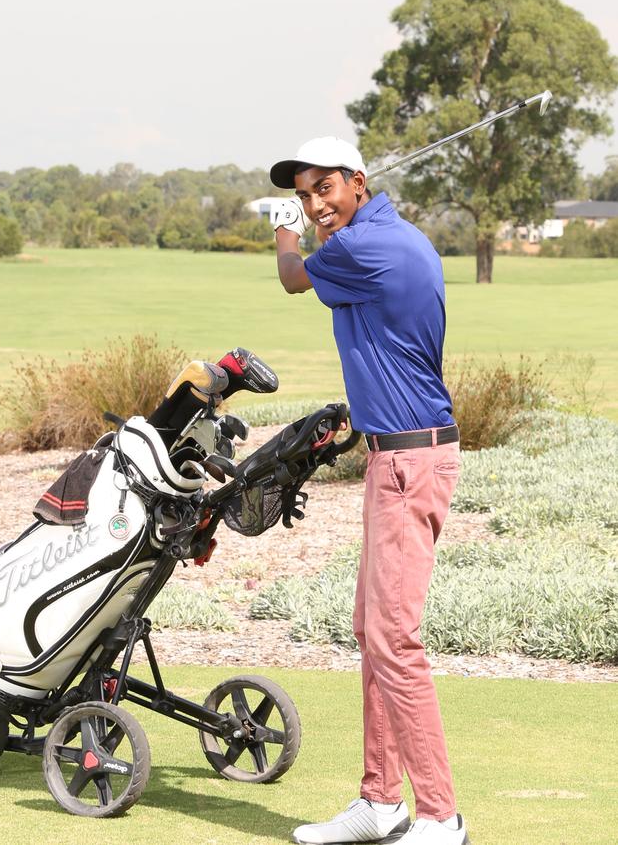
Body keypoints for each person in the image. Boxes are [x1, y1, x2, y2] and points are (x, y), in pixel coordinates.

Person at [269, 137, 469, 845]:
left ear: (358, 182)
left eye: (324, 189)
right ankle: (381, 802)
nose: (316, 206)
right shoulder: (385, 236)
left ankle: (441, 815)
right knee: (371, 632)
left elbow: (295, 279)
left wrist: (282, 233)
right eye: (302, 196)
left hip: (410, 465)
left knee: (392, 638)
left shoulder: (364, 248)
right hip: (399, 460)